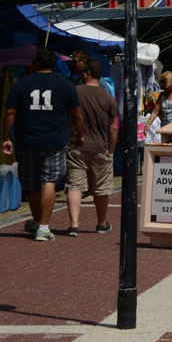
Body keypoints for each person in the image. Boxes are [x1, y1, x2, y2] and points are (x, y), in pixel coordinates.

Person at [3, 47, 84, 242]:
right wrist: (80, 134)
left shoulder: (22, 84)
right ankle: (44, 227)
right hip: (55, 140)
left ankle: (38, 221)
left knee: (32, 183)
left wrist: (6, 137)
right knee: (49, 180)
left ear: (35, 63)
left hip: (28, 139)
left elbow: (10, 113)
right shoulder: (65, 85)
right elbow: (76, 114)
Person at [63, 59, 118, 237]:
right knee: (101, 188)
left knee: (74, 185)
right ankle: (101, 223)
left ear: (87, 73)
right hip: (100, 147)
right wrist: (111, 150)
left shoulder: (74, 93)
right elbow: (113, 128)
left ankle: (74, 224)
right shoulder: (108, 98)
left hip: (76, 146)